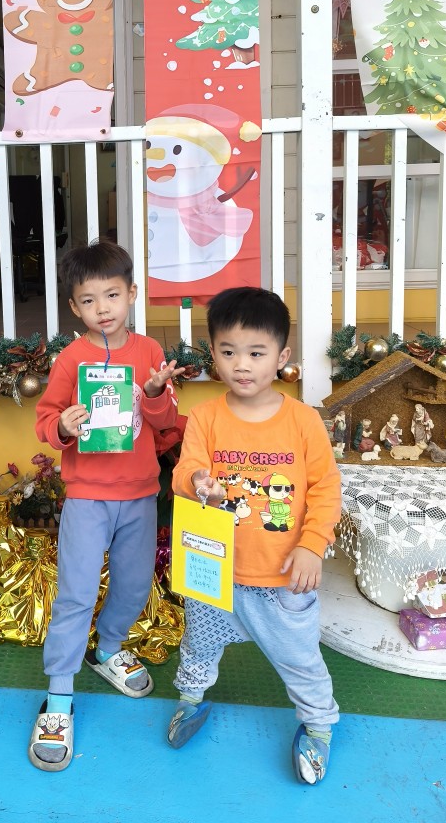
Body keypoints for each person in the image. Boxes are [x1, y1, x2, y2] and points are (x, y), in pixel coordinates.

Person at [168, 287, 341, 786]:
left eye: (256, 353)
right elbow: (185, 472)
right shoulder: (206, 417)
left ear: (282, 356)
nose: (241, 365)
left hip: (282, 575)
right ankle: (190, 700)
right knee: (199, 645)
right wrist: (198, 481)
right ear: (213, 353)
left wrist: (311, 545)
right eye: (228, 352)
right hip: (214, 569)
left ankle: (319, 726)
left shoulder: (303, 420)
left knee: (299, 658)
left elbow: (326, 488)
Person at [29, 240, 182, 772]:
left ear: (132, 294)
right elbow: (46, 420)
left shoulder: (149, 351)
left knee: (135, 585)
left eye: (112, 295)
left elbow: (167, 423)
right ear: (75, 307)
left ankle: (108, 648)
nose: (103, 308)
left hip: (139, 494)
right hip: (88, 497)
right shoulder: (71, 359)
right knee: (75, 593)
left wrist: (156, 393)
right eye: (89, 300)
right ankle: (59, 697)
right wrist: (63, 425)